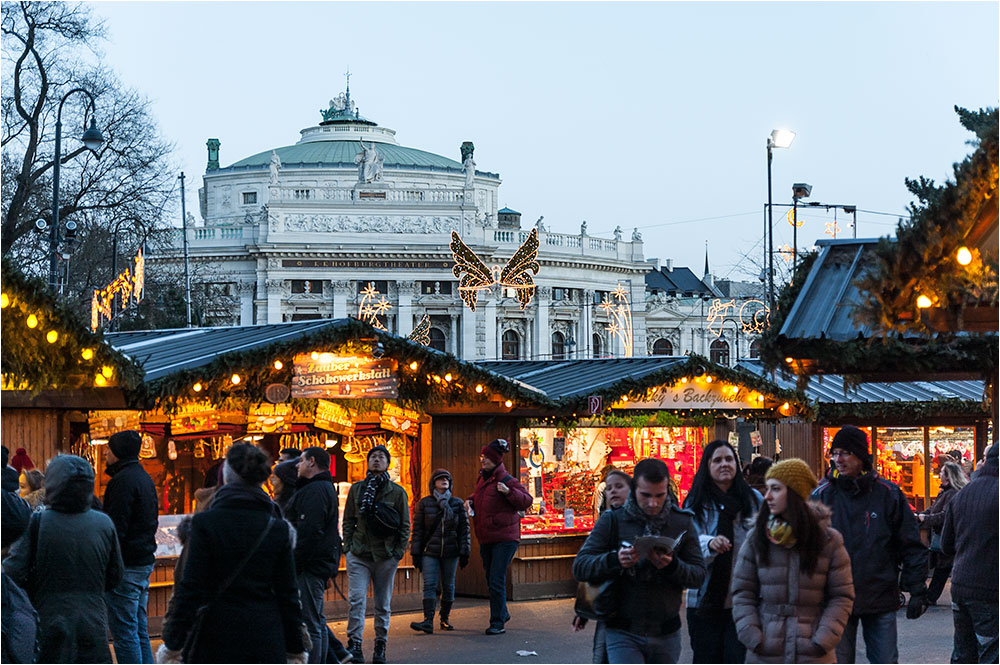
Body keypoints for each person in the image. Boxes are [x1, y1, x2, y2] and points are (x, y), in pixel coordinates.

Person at [157, 443, 307, 664]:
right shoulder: (278, 529)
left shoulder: (205, 524)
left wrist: (173, 644)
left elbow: (190, 590)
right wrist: (296, 649)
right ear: (260, 480)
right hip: (265, 638)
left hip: (215, 637)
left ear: (226, 478)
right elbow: (288, 595)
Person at [811, 425, 928, 664]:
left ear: (861, 456)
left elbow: (909, 542)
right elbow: (806, 548)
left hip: (879, 595)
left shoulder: (887, 494)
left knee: (885, 659)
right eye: (835, 453)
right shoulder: (822, 496)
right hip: (835, 599)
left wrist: (916, 588)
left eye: (845, 453)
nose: (838, 459)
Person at [573, 458, 706, 664]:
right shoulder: (613, 520)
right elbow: (581, 567)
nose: (653, 503)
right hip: (623, 629)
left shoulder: (681, 522)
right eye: (646, 495)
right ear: (635, 489)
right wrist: (615, 560)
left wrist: (672, 566)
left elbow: (698, 575)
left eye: (659, 496)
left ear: (667, 489)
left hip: (666, 631)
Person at [3, 454, 124, 663]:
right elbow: (115, 575)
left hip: (48, 619)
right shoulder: (104, 524)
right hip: (93, 621)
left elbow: (14, 571)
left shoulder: (38, 522)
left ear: (52, 483)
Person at [731, 458, 855, 663]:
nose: (768, 496)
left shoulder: (828, 540)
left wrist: (823, 639)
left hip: (813, 654)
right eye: (768, 489)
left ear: (795, 493)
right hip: (765, 652)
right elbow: (742, 592)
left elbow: (842, 596)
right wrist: (753, 636)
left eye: (776, 489)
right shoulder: (757, 538)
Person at [684, 440, 763, 663]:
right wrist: (708, 544)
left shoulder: (753, 500)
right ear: (707, 466)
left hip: (744, 602)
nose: (724, 464)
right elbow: (684, 545)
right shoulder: (695, 501)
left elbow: (766, 540)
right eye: (717, 460)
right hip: (703, 601)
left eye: (729, 459)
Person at [343, 444, 410, 664]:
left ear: (387, 463)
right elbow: (349, 520)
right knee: (356, 601)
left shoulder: (397, 492)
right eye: (373, 456)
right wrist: (348, 548)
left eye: (381, 456)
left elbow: (405, 525)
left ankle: (380, 644)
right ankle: (355, 644)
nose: (377, 460)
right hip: (359, 554)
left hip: (386, 556)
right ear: (368, 462)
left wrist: (398, 552)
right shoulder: (357, 489)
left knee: (383, 603)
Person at [102, 430, 159, 665]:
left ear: (118, 452)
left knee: (125, 633)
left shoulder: (122, 482)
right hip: (143, 561)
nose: (105, 453)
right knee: (138, 630)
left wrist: (109, 562)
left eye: (109, 449)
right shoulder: (143, 477)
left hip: (126, 565)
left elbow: (116, 528)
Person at [466, 438, 533, 635]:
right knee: (490, 577)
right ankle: (502, 612)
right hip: (487, 537)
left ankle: (497, 622)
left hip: (505, 537)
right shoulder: (483, 479)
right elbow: (480, 497)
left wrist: (508, 492)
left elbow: (526, 501)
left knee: (496, 577)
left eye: (486, 457)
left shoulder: (507, 480)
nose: (483, 460)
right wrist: (469, 501)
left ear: (495, 460)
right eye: (482, 457)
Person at [941, 443, 998, 664]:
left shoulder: (962, 495)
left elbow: (946, 546)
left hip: (961, 584)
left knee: (963, 653)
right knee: (991, 653)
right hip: (990, 588)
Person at [287, 446, 343, 664]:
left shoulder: (315, 491)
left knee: (311, 624)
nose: (297, 465)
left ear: (312, 462)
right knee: (317, 621)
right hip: (318, 563)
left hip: (310, 566)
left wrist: (296, 562)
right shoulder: (321, 488)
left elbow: (309, 532)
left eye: (301, 460)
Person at [573, 469, 632, 664]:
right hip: (609, 604)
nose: (613, 491)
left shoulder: (638, 521)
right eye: (609, 488)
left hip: (630, 608)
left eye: (619, 487)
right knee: (602, 656)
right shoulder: (608, 521)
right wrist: (584, 610)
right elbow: (584, 565)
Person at [410, 468, 471, 634]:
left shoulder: (457, 503)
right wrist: (415, 553)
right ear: (433, 483)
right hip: (430, 551)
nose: (444, 480)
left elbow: (464, 530)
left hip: (451, 551)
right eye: (440, 478)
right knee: (429, 585)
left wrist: (465, 551)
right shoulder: (425, 503)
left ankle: (445, 619)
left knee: (448, 585)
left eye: (447, 478)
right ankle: (428, 621)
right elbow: (418, 530)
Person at [916, 461, 968, 605]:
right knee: (941, 568)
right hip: (942, 536)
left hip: (948, 537)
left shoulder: (952, 493)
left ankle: (930, 597)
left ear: (948, 476)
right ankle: (930, 596)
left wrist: (925, 518)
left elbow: (943, 516)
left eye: (942, 472)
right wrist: (922, 515)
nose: (939, 474)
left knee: (942, 568)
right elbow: (933, 510)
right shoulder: (944, 492)